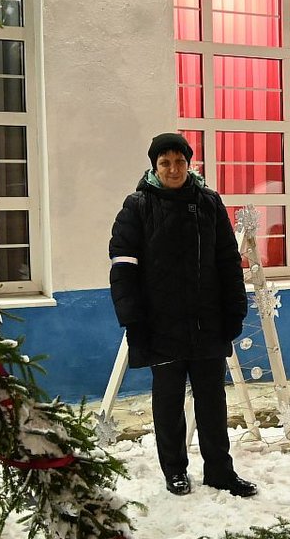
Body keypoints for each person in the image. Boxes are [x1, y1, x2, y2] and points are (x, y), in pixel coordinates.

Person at [108, 132, 258, 498]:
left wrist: (235, 309)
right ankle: (174, 470)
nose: (173, 169)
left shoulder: (209, 202)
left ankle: (220, 471)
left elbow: (227, 260)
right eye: (165, 163)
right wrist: (133, 321)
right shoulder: (137, 206)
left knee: (212, 401)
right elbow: (123, 268)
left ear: (189, 164)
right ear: (154, 167)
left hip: (207, 322)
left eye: (179, 162)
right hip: (160, 325)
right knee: (168, 401)